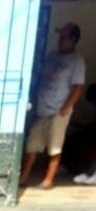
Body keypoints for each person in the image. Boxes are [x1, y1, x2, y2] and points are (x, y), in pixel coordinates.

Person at [19, 23, 85, 190]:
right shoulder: (52, 55)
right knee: (32, 144)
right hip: (43, 108)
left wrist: (65, 108)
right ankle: (24, 176)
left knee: (54, 147)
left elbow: (78, 87)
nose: (60, 40)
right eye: (60, 37)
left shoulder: (77, 60)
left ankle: (49, 179)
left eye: (63, 37)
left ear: (73, 40)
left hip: (59, 110)